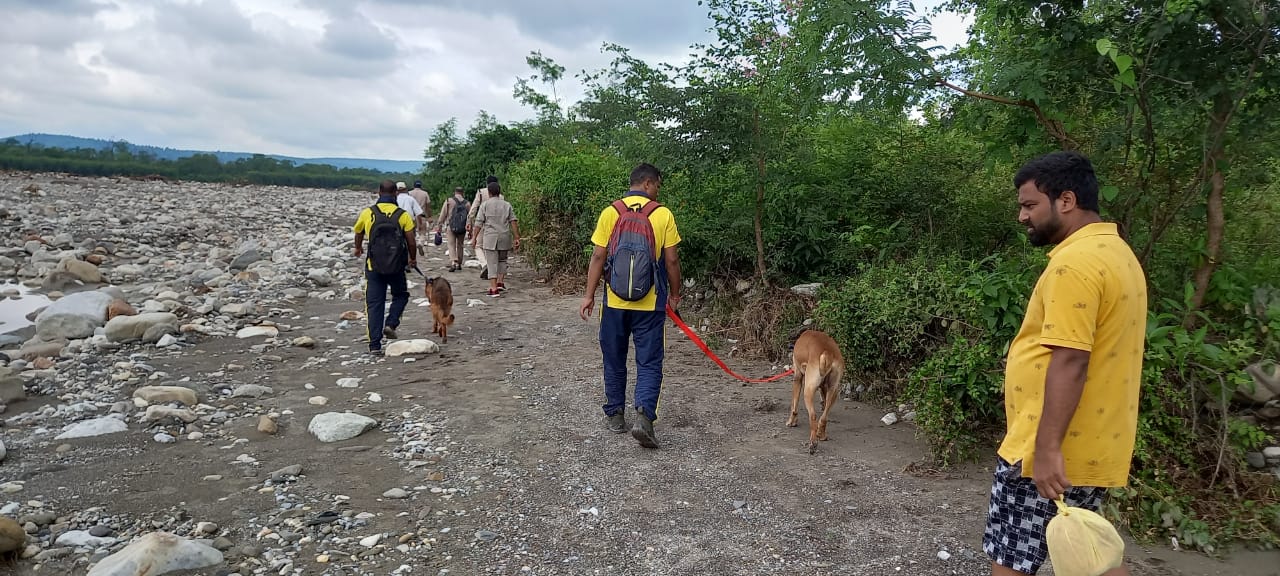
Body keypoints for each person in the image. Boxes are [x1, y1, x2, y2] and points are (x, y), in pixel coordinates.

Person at [984, 151, 1145, 576]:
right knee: (1089, 554)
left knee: (1011, 559)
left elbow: (1071, 359)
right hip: (1090, 441)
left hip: (1047, 448)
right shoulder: (1117, 253)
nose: (1022, 216)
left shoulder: (1075, 265)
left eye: (1030, 204)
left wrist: (1048, 447)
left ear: (1067, 201)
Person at [578, 163, 681, 449]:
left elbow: (598, 257)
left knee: (614, 358)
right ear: (647, 183)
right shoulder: (662, 214)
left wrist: (588, 295)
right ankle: (644, 417)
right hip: (650, 304)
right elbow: (671, 260)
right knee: (649, 362)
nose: (658, 191)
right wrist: (675, 294)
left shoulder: (611, 212)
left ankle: (615, 416)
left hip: (614, 302)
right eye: (657, 185)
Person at [352, 180, 418, 356]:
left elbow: (358, 232)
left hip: (374, 266)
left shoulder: (368, 213)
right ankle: (391, 323)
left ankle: (374, 345)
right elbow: (411, 241)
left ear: (379, 192)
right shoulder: (402, 215)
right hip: (396, 266)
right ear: (396, 193)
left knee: (374, 304)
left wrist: (358, 248)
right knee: (401, 295)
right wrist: (412, 259)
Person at [473, 181, 520, 296]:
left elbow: (478, 223)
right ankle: (500, 282)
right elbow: (513, 221)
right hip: (504, 235)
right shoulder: (506, 205)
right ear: (499, 192)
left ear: (489, 193)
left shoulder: (485, 205)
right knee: (502, 260)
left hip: (490, 237)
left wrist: (474, 237)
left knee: (491, 262)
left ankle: (493, 288)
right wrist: (516, 237)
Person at [468, 175, 498, 279]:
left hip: (482, 223)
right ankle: (492, 267)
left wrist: (469, 221)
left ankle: (484, 264)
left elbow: (473, 209)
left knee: (478, 245)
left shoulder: (481, 192)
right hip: (496, 225)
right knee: (492, 247)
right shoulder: (500, 195)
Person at [435, 187, 470, 272]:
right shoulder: (467, 203)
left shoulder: (449, 201)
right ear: (462, 193)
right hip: (462, 227)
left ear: (455, 192)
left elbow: (443, 214)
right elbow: (470, 217)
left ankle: (453, 262)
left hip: (450, 226)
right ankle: (459, 263)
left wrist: (439, 226)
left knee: (451, 244)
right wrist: (470, 229)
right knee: (460, 245)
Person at [408, 180, 433, 246]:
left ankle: (413, 244)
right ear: (420, 186)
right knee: (422, 232)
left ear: (414, 186)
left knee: (411, 231)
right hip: (422, 215)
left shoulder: (409, 193)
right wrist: (429, 216)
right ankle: (420, 243)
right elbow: (428, 206)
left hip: (411, 216)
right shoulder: (425, 193)